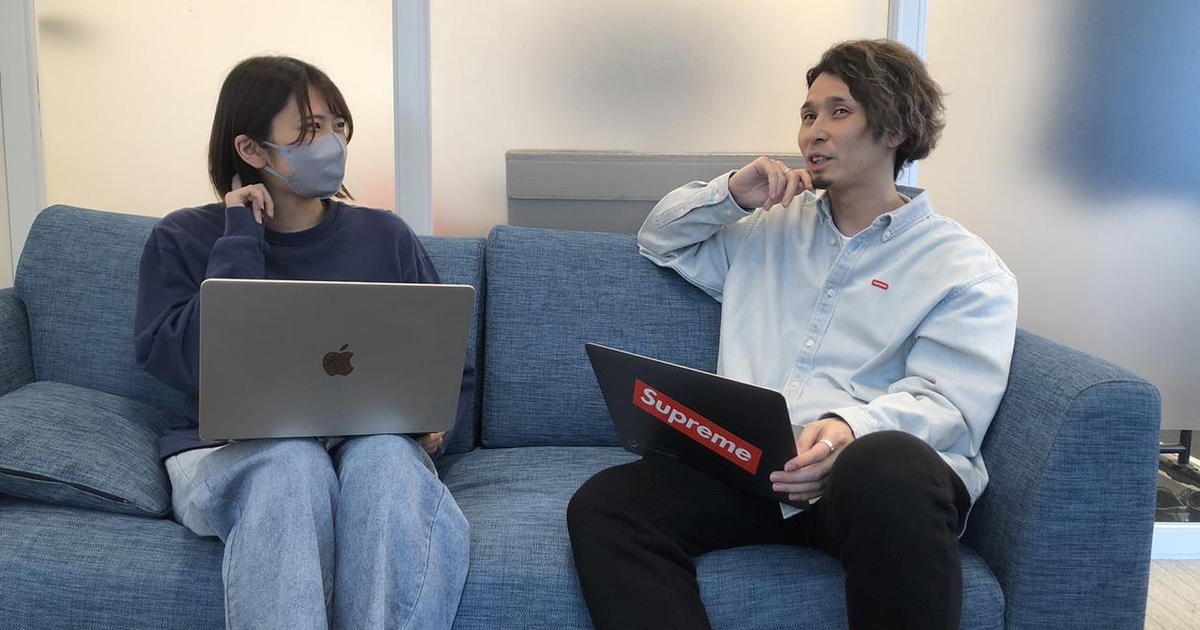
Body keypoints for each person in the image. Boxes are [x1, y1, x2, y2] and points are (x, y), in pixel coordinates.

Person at [567, 39, 1018, 630]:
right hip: (755, 472)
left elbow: (950, 407)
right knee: (607, 504)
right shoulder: (767, 228)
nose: (814, 132)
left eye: (839, 111)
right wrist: (732, 195)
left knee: (887, 460)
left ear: (896, 130)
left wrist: (848, 431)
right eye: (808, 115)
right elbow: (659, 239)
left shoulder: (965, 267)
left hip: (870, 489)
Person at [134, 56, 473, 630]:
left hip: (363, 445)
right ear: (252, 150)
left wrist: (434, 424)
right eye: (310, 129)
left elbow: (445, 359)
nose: (333, 142)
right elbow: (184, 361)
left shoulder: (385, 235)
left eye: (338, 125)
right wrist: (239, 239)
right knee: (292, 463)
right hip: (228, 453)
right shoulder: (183, 237)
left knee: (388, 459)